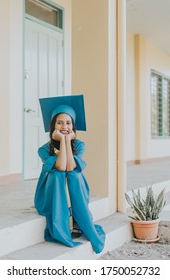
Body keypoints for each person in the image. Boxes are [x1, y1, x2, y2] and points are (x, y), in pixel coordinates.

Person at [34, 95, 105, 254]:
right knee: (58, 175)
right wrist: (63, 140)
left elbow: (71, 166)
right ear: (53, 126)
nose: (64, 126)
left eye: (68, 123)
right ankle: (63, 222)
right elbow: (60, 166)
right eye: (59, 122)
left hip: (74, 186)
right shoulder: (44, 149)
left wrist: (66, 141)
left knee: (73, 174)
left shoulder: (79, 145)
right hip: (49, 194)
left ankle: (78, 218)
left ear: (73, 126)